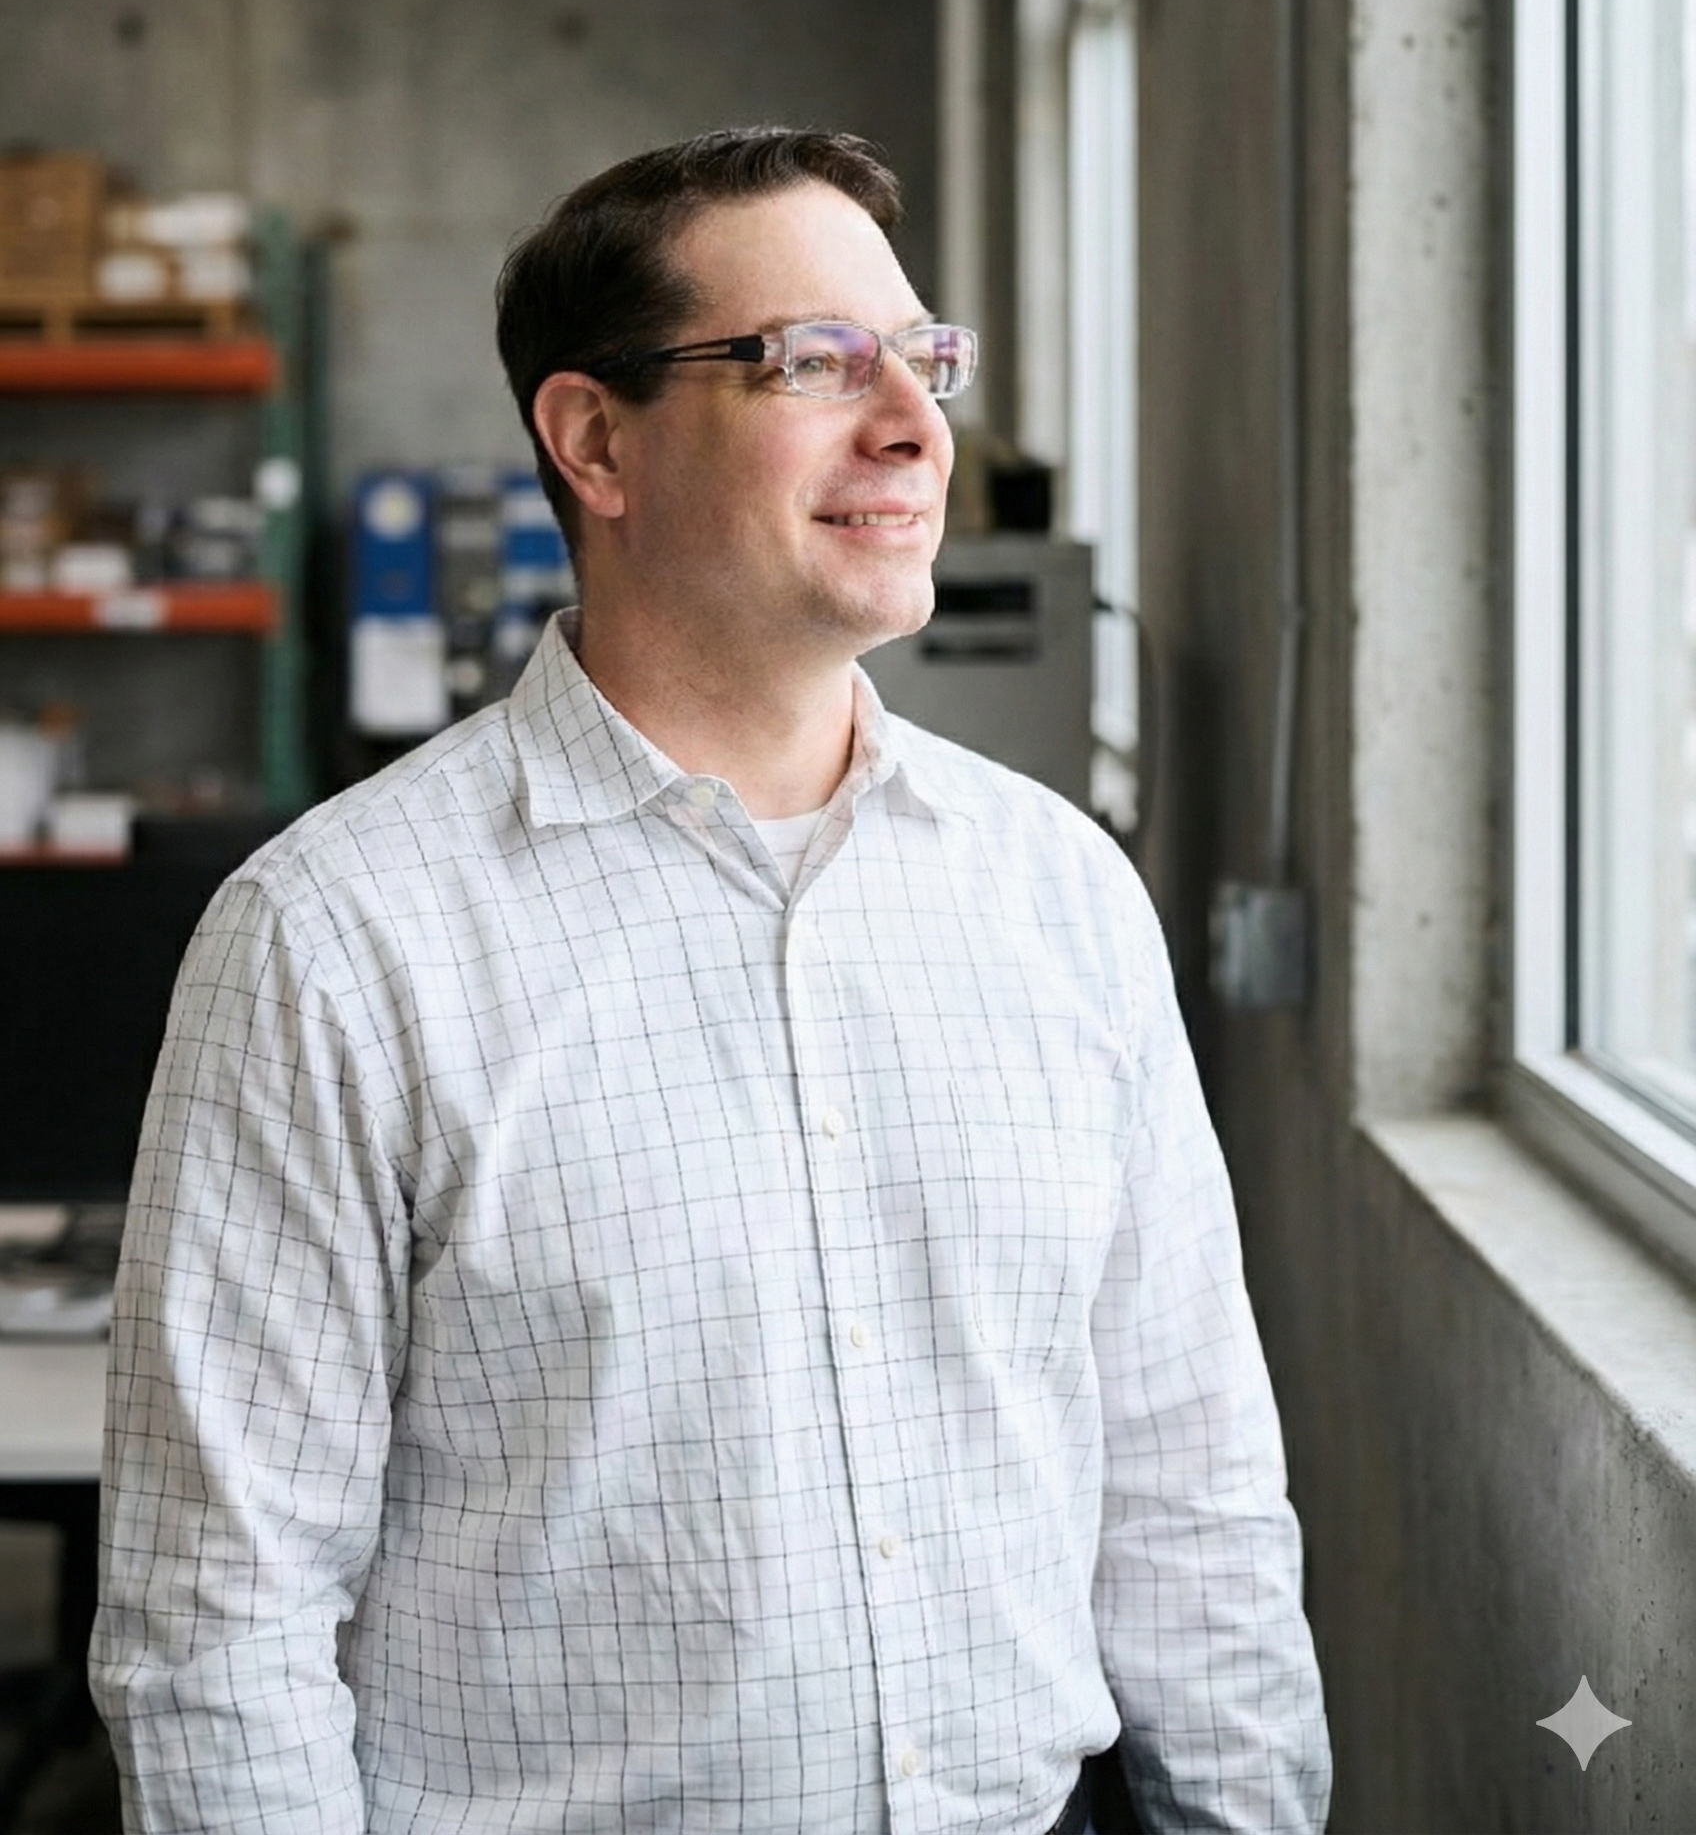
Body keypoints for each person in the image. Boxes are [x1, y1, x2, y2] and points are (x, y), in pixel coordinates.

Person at [92, 127, 1331, 1835]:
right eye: (815, 362)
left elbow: (1192, 1494)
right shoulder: (335, 940)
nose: (912, 425)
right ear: (595, 439)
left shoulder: (1061, 898)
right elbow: (218, 1619)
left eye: (927, 359)